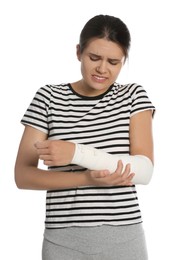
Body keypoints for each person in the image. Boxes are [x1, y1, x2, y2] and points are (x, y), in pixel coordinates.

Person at [15, 14, 155, 260]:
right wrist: (87, 177)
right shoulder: (48, 98)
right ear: (78, 51)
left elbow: (144, 170)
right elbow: (23, 176)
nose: (102, 69)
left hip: (124, 238)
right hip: (63, 241)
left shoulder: (133, 96)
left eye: (113, 62)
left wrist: (75, 152)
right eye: (94, 58)